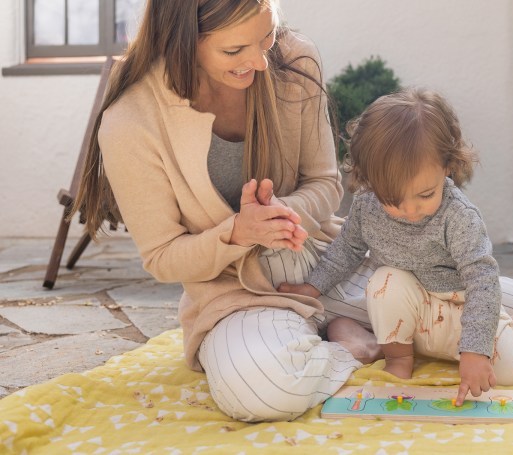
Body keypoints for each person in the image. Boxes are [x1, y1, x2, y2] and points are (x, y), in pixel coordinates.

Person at [70, 0, 384, 422]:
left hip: (327, 259)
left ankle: (330, 334)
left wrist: (280, 215)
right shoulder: (132, 120)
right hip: (237, 294)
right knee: (264, 390)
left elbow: (325, 183)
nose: (259, 61)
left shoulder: (294, 60)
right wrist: (239, 233)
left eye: (266, 36)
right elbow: (163, 256)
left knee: (497, 315)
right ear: (182, 41)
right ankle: (349, 346)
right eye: (234, 51)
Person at [279, 88, 513, 406]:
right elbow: (346, 250)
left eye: (424, 195)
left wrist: (476, 350)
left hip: (456, 312)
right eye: (393, 199)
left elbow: (482, 280)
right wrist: (313, 286)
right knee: (385, 280)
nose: (410, 211)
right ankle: (397, 357)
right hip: (409, 312)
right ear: (369, 179)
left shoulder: (458, 216)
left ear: (448, 165)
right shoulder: (367, 206)